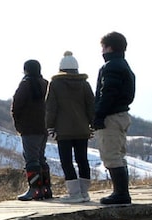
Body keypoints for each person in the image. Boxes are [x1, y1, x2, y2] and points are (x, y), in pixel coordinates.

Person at [45, 51, 95, 203]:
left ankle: (74, 193)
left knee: (66, 161)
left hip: (63, 130)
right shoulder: (84, 84)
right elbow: (91, 106)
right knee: (83, 160)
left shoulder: (55, 84)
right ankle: (84, 192)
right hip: (82, 129)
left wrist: (50, 126)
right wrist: (93, 125)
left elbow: (51, 107)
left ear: (61, 68)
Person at [94, 31, 136, 204]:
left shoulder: (111, 66)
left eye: (103, 47)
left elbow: (108, 93)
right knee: (119, 154)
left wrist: (99, 114)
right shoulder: (123, 65)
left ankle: (121, 194)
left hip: (111, 116)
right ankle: (121, 192)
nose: (101, 51)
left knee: (111, 154)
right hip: (122, 114)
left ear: (109, 47)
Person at [11, 59, 52, 200]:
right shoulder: (46, 84)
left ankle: (34, 189)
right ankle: (46, 188)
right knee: (41, 158)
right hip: (44, 127)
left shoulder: (25, 84)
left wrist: (18, 124)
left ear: (26, 70)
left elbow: (16, 106)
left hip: (29, 128)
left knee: (31, 160)